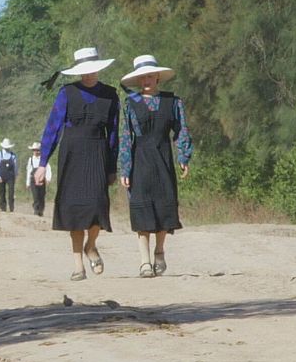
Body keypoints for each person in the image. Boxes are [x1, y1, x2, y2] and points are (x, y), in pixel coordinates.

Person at [35, 47, 119, 281]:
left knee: (96, 207)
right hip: (72, 153)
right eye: (85, 71)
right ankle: (78, 265)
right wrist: (42, 163)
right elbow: (53, 128)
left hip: (97, 152)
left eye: (93, 70)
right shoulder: (67, 93)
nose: (89, 75)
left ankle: (90, 245)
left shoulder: (111, 95)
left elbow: (113, 134)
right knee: (74, 210)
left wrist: (112, 167)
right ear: (79, 72)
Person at [119, 54, 193, 278]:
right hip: (139, 160)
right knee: (141, 209)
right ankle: (144, 261)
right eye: (142, 77)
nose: (146, 80)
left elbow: (181, 131)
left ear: (158, 77)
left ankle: (159, 251)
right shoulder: (131, 103)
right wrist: (125, 167)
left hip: (163, 159)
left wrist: (183, 156)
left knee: (164, 207)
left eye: (150, 76)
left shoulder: (173, 102)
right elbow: (126, 137)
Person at [26, 142, 52, 217]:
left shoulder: (43, 159)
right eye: (34, 150)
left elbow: (48, 168)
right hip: (33, 180)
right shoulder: (30, 159)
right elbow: (29, 171)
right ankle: (36, 210)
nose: (36, 151)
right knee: (35, 195)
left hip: (42, 180)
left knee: (41, 195)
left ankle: (41, 210)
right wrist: (27, 182)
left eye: (37, 150)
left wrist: (48, 178)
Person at [0, 138, 19, 212]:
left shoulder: (13, 155)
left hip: (10, 176)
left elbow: (15, 166)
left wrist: (16, 175)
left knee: (11, 192)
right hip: (1, 176)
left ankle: (11, 208)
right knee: (2, 192)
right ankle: (3, 208)